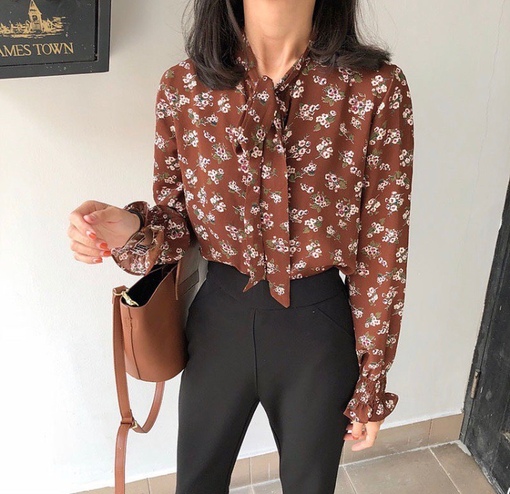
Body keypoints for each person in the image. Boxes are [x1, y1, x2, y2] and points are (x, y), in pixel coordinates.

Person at [68, 0, 414, 492]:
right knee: (196, 484)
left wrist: (372, 379)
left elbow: (383, 245)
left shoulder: (374, 88)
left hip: (318, 334)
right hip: (218, 324)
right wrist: (127, 228)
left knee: (310, 487)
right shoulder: (185, 87)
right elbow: (179, 223)